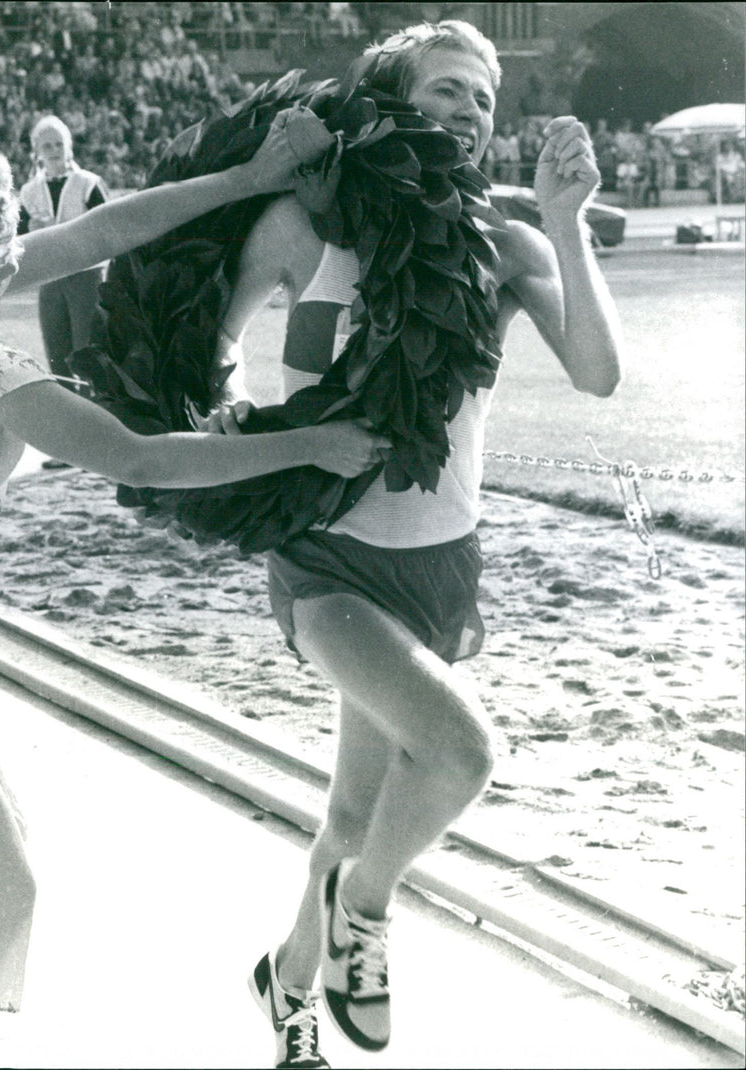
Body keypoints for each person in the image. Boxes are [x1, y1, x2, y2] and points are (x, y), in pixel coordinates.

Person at [215, 20, 621, 1068]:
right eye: (444, 88)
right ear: (391, 95)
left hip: (439, 564)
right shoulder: (307, 224)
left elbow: (596, 373)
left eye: (481, 99)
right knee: (458, 752)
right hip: (325, 559)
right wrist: (237, 414)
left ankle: (288, 982)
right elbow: (214, 339)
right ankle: (364, 913)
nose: (466, 111)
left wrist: (566, 223)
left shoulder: (506, 247)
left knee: (355, 811)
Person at [0, 121, 387, 1058]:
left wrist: (250, 176)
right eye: (2, 232)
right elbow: (140, 458)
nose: (18, 245)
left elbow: (107, 234)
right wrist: (310, 442)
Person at [18, 116, 108, 406]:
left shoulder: (88, 183)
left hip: (87, 277)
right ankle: (72, 428)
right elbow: (17, 240)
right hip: (50, 280)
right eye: (47, 145)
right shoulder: (29, 191)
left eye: (59, 143)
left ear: (69, 146)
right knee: (58, 355)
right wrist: (31, 230)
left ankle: (100, 424)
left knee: (89, 353)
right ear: (37, 151)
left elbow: (110, 231)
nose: (54, 150)